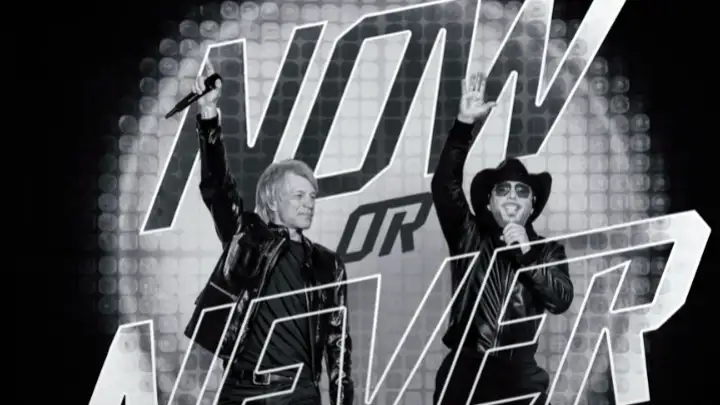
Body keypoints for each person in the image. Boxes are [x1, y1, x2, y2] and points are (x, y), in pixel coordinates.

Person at [183, 63, 354, 405]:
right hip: (242, 390)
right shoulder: (246, 237)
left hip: (299, 394)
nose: (309, 204)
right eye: (298, 195)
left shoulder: (327, 264)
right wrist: (208, 115)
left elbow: (338, 342)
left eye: (312, 196)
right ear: (273, 201)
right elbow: (218, 187)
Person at [430, 72, 574, 405]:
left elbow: (561, 300)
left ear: (532, 205)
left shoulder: (548, 250)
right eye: (503, 189)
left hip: (520, 375)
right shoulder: (469, 235)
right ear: (489, 202)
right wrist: (464, 124)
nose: (512, 196)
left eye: (522, 191)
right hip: (467, 370)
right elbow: (443, 186)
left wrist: (528, 255)